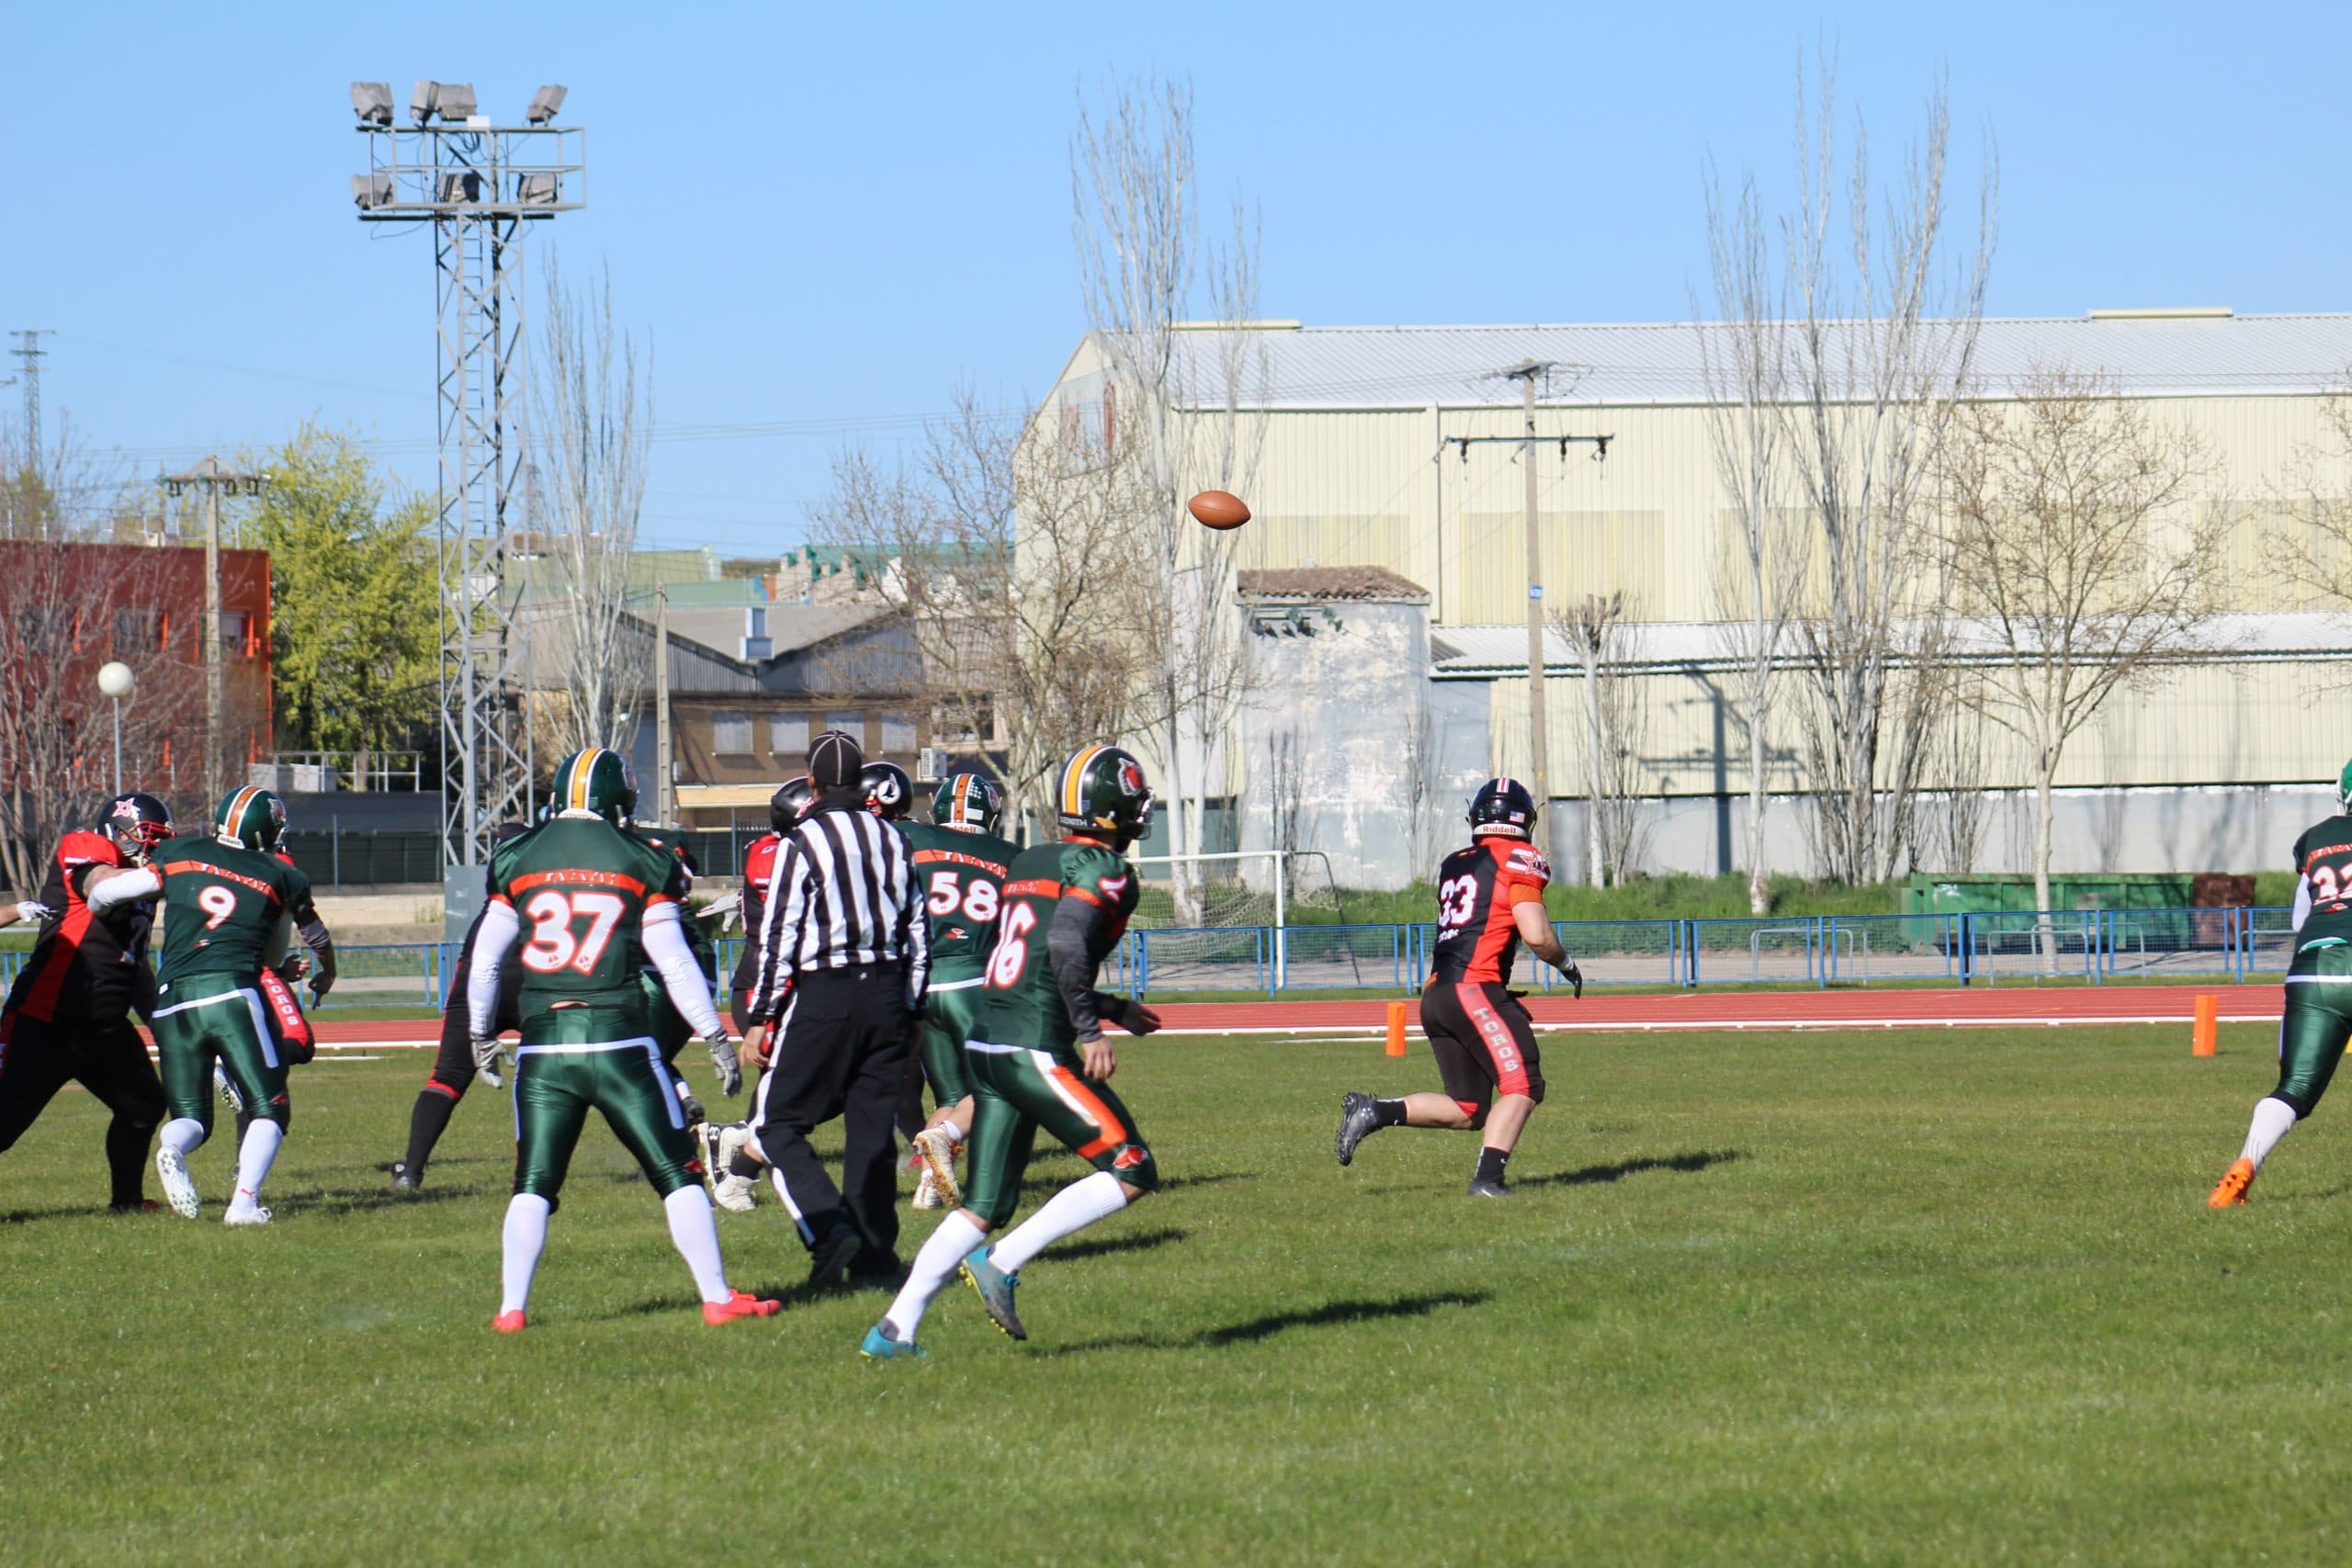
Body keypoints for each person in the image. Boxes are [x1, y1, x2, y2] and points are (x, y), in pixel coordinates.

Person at [863, 743, 1164, 1360]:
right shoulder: (1104, 869)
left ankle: (893, 1330)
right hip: (1033, 1046)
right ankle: (1001, 1262)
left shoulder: (1032, 858)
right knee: (1132, 1166)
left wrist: (1112, 1006)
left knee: (984, 1204)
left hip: (988, 1038)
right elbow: (1064, 944)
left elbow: (1029, 960)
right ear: (1114, 808)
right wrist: (1090, 1028)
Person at [467, 748, 776, 1332]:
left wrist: (480, 1033)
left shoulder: (516, 855)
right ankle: (716, 1298)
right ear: (620, 800)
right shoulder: (643, 857)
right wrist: (714, 1032)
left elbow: (485, 961)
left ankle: (511, 1310)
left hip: (543, 1046)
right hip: (619, 1042)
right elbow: (674, 960)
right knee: (677, 1173)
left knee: (533, 1182)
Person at [731, 729, 927, 1289]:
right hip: (887, 992)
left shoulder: (801, 842)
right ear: (861, 780)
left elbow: (780, 935)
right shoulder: (893, 838)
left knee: (774, 1125)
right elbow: (918, 929)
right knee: (872, 1134)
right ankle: (876, 1259)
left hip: (827, 991)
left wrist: (761, 1018)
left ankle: (827, 1228)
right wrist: (913, 1010)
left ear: (813, 782)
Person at [1332, 777, 1582, 1198]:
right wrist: (1566, 964)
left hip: (1437, 994)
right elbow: (1537, 935)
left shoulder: (1455, 862)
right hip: (1474, 988)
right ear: (1524, 820)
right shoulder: (1519, 857)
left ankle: (1373, 1111)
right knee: (1524, 1085)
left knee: (1468, 1108)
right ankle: (1487, 1182)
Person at [119, 786, 318, 1224]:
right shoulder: (275, 871)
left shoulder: (182, 851)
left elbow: (115, 891)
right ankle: (243, 1205)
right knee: (270, 1106)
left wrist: (95, 901)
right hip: (230, 991)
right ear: (264, 830)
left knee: (191, 1118)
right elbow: (272, 956)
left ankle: (172, 1148)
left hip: (170, 1001)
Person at [0, 792, 173, 1212]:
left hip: (104, 1027)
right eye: (146, 835)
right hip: (46, 1020)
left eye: (159, 838)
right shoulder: (87, 846)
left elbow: (133, 964)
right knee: (4, 1123)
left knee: (144, 1105)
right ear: (118, 828)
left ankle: (127, 1203)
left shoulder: (143, 886)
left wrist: (164, 1024)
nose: (152, 846)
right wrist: (164, 876)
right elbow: (100, 886)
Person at [2211, 762, 2352, 1206]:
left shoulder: (2316, 838)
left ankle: (2246, 1163)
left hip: (2314, 966)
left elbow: (2299, 918)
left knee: (2295, 1089)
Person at [899, 773, 1021, 1211]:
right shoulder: (1010, 856)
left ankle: (929, 1188)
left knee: (949, 1095)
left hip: (922, 982)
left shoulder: (912, 838)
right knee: (999, 1085)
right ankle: (946, 1138)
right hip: (974, 979)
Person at [390, 822, 530, 1191]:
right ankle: (530, 1175)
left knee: (447, 1078)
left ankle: (411, 1171)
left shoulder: (496, 899)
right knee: (547, 1077)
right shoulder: (547, 886)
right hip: (532, 977)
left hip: (476, 980)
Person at [695, 777, 813, 1211]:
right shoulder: (774, 852)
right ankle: (737, 1151)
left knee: (797, 1088)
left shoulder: (780, 849)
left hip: (781, 980)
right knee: (797, 1087)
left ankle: (736, 1142)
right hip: (764, 985)